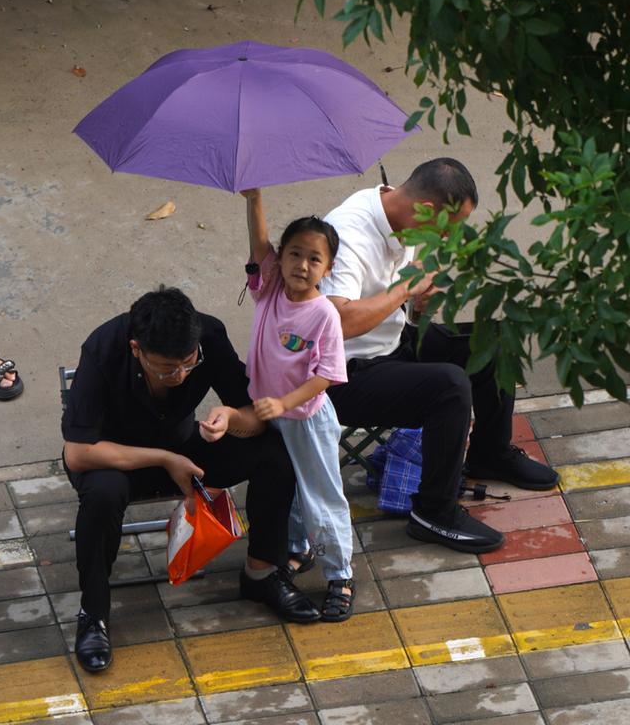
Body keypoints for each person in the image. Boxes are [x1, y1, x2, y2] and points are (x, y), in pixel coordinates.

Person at [62, 287, 321, 674]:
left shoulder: (209, 337)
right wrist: (165, 460)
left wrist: (230, 419)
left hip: (185, 450)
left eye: (188, 363)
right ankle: (94, 613)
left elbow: (254, 416)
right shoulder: (103, 348)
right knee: (102, 493)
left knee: (274, 454)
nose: (180, 375)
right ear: (137, 350)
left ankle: (262, 573)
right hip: (117, 461)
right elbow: (78, 453)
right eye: (166, 369)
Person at [321, 157, 559, 554]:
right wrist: (406, 290)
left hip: (390, 342)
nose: (451, 238)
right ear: (429, 210)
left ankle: (490, 453)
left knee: (493, 340)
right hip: (341, 374)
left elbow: (408, 297)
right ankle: (433, 513)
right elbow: (339, 322)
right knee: (449, 387)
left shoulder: (403, 213)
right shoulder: (348, 234)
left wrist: (419, 304)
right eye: (452, 227)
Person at [240, 188, 355, 621]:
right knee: (285, 491)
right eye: (293, 254)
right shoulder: (269, 290)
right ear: (280, 259)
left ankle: (340, 575)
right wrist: (253, 200)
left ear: (327, 268)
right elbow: (257, 246)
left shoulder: (324, 314)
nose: (301, 266)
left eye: (313, 259)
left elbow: (325, 376)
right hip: (275, 416)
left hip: (306, 421)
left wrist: (282, 402)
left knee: (321, 499)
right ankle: (295, 549)